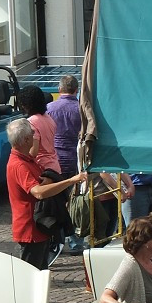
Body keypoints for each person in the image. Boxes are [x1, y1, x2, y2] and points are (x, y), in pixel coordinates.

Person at [5, 118, 86, 269]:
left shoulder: (27, 160)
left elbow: (41, 183)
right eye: (32, 133)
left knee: (40, 272)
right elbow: (38, 193)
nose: (35, 136)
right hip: (31, 230)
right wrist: (71, 181)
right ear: (26, 139)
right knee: (31, 275)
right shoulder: (19, 164)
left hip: (40, 227)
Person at [47, 76, 85, 251]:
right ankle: (76, 241)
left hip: (54, 160)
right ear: (76, 90)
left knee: (55, 201)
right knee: (75, 201)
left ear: (59, 89)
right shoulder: (81, 109)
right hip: (76, 160)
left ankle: (56, 240)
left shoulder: (49, 109)